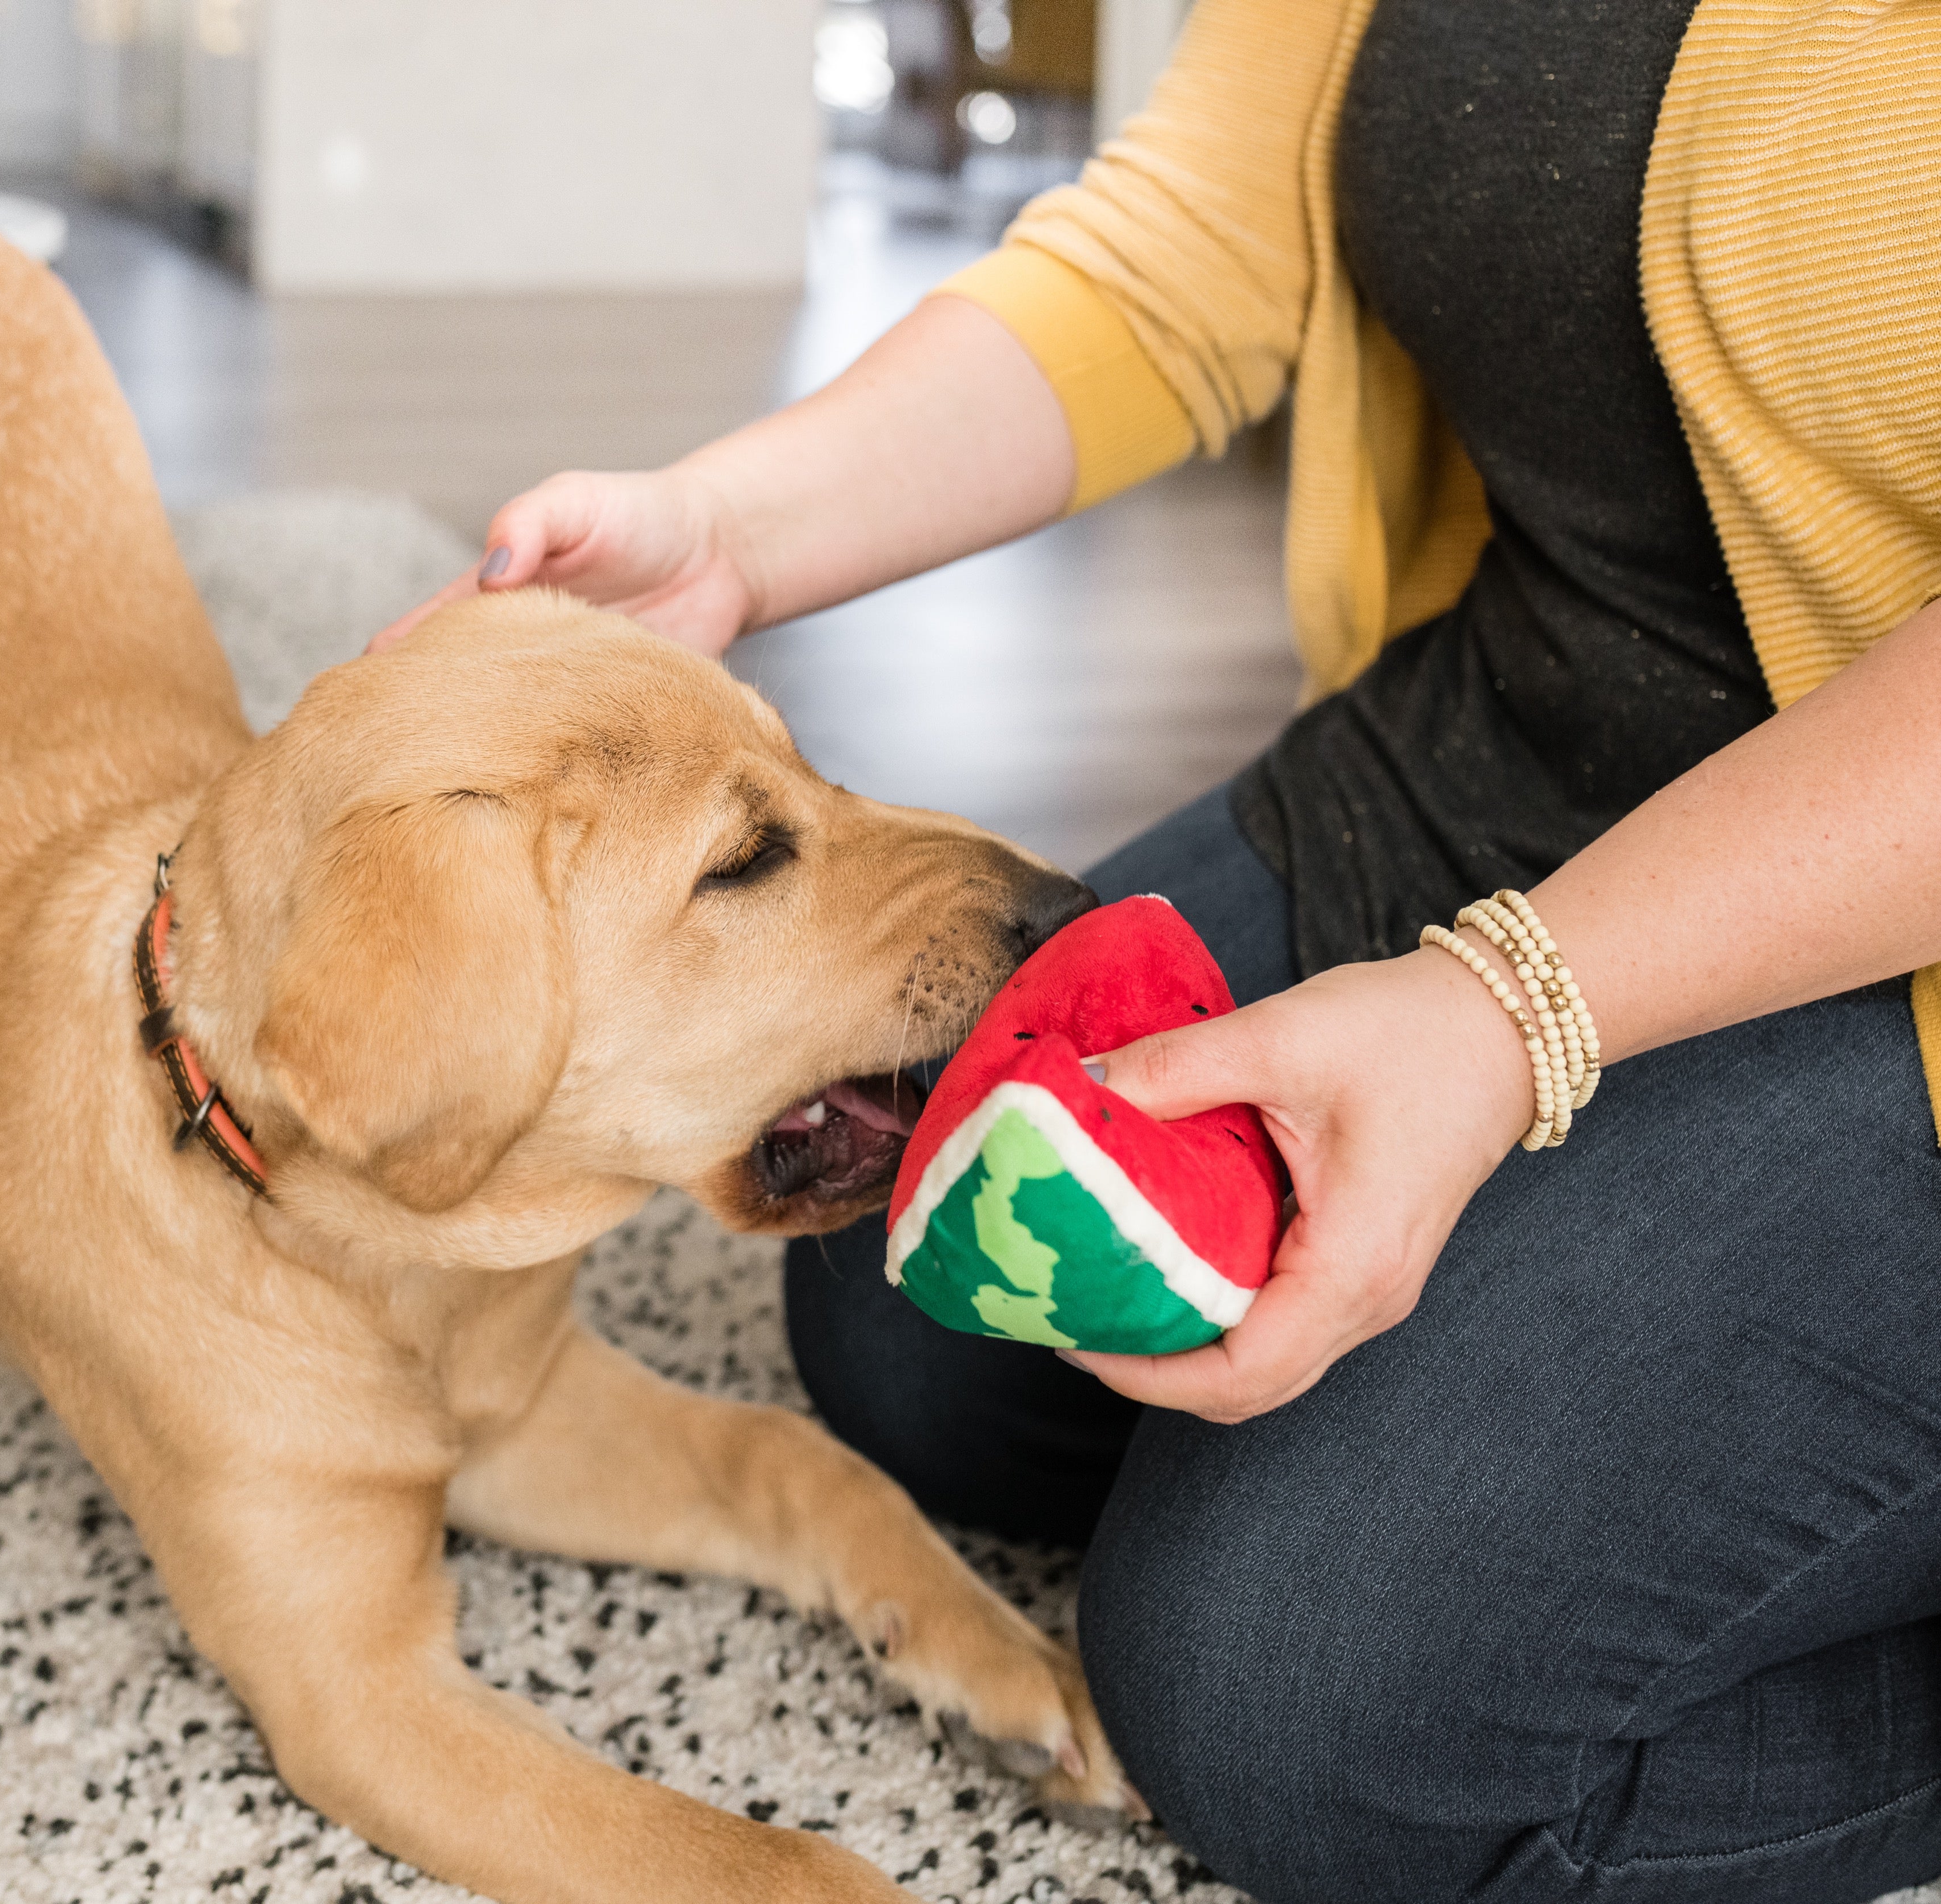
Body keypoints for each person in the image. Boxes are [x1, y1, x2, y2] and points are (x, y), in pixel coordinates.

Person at [373, 1, 1941, 1898]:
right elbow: (1178, 253)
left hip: (1890, 967)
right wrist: (727, 532)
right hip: (1498, 760)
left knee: (1285, 1701)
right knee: (921, 1306)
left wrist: (1510, 1016)